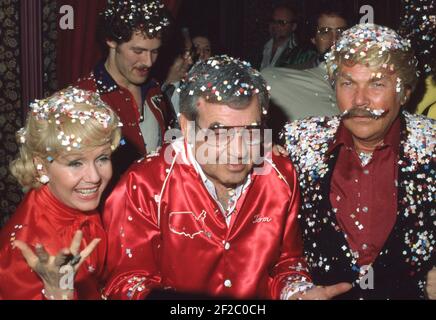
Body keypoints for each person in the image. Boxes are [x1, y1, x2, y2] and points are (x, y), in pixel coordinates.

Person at [101, 55, 351, 300]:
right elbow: (125, 283)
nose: (240, 150)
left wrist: (296, 292)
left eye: (251, 131)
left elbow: (287, 263)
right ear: (187, 127)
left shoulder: (279, 175)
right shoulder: (143, 184)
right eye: (220, 132)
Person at [282, 24, 435, 299]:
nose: (360, 100)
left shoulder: (432, 146)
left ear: (406, 92)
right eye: (348, 83)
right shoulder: (296, 143)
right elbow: (263, 240)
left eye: (377, 84)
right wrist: (293, 289)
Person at [0, 87, 122, 300]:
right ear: (41, 167)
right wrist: (56, 294)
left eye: (102, 158)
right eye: (76, 163)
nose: (94, 177)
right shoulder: (27, 248)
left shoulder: (73, 202)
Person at [76, 0, 176, 178]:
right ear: (111, 41)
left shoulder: (154, 91)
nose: (148, 62)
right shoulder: (84, 100)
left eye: (155, 51)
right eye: (138, 51)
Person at [262, 5, 349, 130]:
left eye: (341, 32)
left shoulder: (366, 75)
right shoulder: (287, 76)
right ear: (314, 39)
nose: (334, 40)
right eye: (325, 32)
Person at [260, 4, 298, 70]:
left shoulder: (299, 53)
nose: (275, 26)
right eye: (273, 21)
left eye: (282, 22)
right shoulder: (260, 46)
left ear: (293, 26)